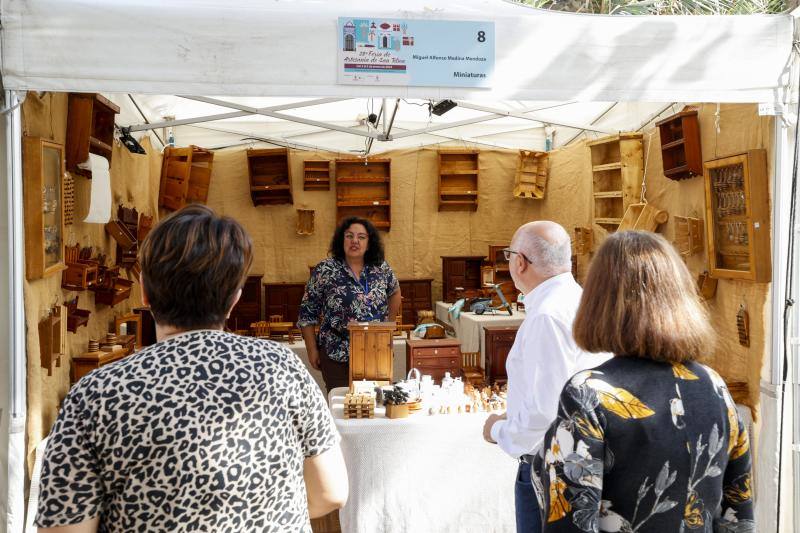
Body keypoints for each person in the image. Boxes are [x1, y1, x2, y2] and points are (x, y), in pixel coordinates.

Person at [35, 205, 348, 533]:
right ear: (234, 299)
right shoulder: (283, 368)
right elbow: (331, 492)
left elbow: (64, 528)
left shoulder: (95, 393)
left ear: (144, 292)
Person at [533, 231, 754, 532]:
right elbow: (738, 514)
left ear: (600, 300)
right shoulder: (713, 386)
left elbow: (570, 522)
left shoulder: (588, 394)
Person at [482, 221, 611, 533]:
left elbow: (546, 409)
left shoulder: (546, 316)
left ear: (520, 262)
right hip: (588, 457)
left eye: (509, 255)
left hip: (550, 468)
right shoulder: (582, 300)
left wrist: (498, 429)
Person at [298, 217, 401, 392]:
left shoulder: (381, 267)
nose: (355, 241)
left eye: (361, 237)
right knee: (341, 403)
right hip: (335, 351)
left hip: (375, 349)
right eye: (349, 236)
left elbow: (395, 292)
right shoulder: (325, 269)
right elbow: (307, 313)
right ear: (341, 240)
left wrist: (388, 326)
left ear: (369, 243)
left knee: (375, 403)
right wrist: (311, 349)